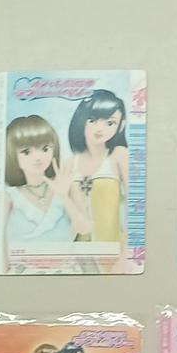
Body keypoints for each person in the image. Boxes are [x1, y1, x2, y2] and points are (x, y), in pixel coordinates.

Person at [2, 115, 90, 270]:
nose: (38, 157)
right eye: (26, 152)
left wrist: (63, 196)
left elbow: (85, 230)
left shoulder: (68, 184)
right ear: (12, 155)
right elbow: (0, 245)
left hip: (68, 272)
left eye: (45, 149)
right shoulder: (9, 196)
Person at [68, 89, 129, 271]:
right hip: (77, 255)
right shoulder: (69, 163)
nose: (100, 128)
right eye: (92, 120)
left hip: (113, 252)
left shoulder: (119, 156)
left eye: (110, 123)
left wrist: (126, 256)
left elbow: (137, 209)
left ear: (121, 125)